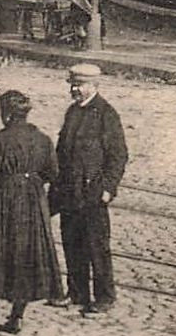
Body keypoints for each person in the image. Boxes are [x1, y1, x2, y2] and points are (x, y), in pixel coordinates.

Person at [0, 90, 63, 336]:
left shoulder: (0, 140)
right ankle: (16, 316)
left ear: (7, 113)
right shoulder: (43, 139)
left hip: (5, 202)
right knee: (26, 256)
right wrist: (32, 182)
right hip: (33, 203)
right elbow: (53, 173)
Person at [55, 63, 129, 315]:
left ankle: (105, 297)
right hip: (70, 190)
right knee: (72, 242)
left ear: (94, 86)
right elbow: (62, 150)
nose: (75, 89)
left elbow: (118, 155)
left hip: (93, 191)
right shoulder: (72, 112)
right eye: (73, 85)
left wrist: (109, 187)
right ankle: (76, 292)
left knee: (97, 246)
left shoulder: (106, 114)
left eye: (80, 85)